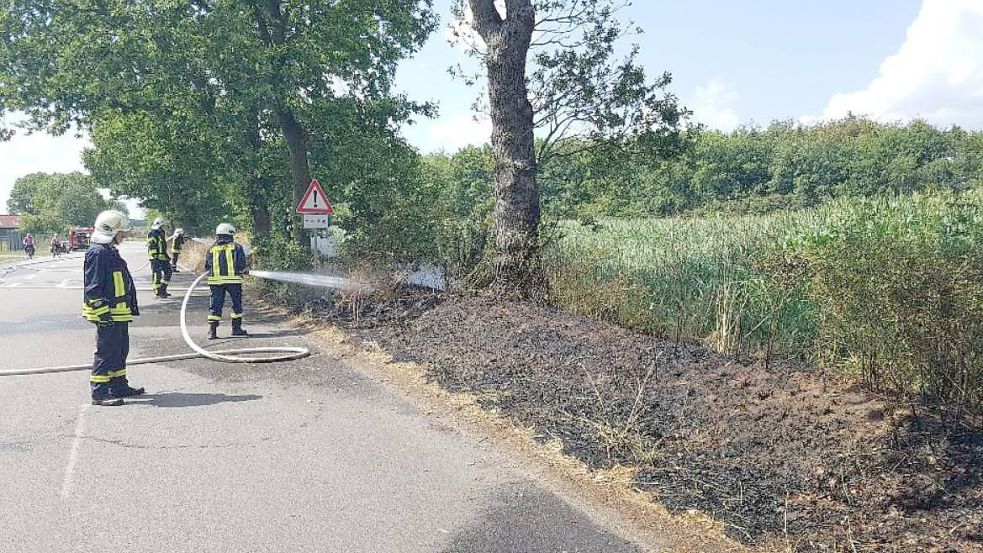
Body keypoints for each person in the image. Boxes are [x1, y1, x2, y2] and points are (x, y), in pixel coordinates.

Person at [83, 210, 144, 406]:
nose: (123, 235)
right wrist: (102, 312)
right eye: (121, 232)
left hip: (118, 313)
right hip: (107, 313)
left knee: (120, 349)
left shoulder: (109, 251)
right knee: (106, 351)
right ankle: (99, 392)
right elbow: (93, 286)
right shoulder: (98, 253)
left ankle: (118, 385)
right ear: (111, 231)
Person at [204, 223, 249, 340]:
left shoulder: (211, 249)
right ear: (230, 234)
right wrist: (245, 270)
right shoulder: (236, 247)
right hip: (233, 281)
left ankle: (212, 331)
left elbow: (207, 266)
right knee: (236, 304)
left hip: (215, 282)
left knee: (215, 305)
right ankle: (236, 329)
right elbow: (241, 265)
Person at [147, 217, 172, 298]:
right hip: (155, 258)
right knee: (157, 273)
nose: (162, 227)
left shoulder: (162, 232)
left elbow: (162, 245)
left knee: (168, 272)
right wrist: (155, 256)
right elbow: (152, 245)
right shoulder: (152, 233)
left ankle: (163, 289)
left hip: (163, 257)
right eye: (161, 226)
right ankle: (157, 290)